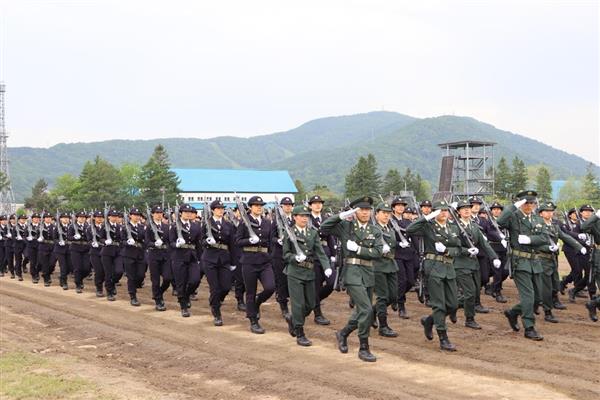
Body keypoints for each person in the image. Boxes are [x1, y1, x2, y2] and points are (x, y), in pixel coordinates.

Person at [322, 196, 382, 362]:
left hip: (368, 272)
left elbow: (377, 253)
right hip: (352, 271)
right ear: (355, 212)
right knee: (367, 310)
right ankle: (364, 347)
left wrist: (360, 249)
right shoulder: (345, 227)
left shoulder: (375, 230)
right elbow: (324, 227)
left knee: (361, 311)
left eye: (367, 210)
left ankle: (343, 333)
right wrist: (341, 216)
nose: (365, 213)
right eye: (361, 210)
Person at [407, 201, 461, 351]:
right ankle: (443, 339)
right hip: (434, 267)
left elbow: (459, 247)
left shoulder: (453, 227)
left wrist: (448, 251)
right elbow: (410, 229)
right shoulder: (428, 227)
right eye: (440, 210)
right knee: (439, 305)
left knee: (453, 304)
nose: (444, 213)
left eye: (446, 210)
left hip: (449, 267)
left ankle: (429, 321)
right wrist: (426, 218)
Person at [498, 190, 549, 341]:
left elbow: (545, 238)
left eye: (532, 203)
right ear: (521, 203)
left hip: (535, 262)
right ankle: (529, 327)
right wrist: (513, 207)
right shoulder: (513, 217)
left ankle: (513, 312)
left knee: (538, 298)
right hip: (520, 262)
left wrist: (530, 239)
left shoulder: (537, 219)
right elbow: (500, 222)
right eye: (526, 202)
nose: (529, 205)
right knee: (528, 297)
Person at [283, 204, 331, 346]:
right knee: (298, 304)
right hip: (295, 273)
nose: (304, 218)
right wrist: (294, 258)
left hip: (309, 272)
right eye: (301, 216)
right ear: (295, 217)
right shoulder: (289, 233)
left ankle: (293, 319)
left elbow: (320, 252)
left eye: (306, 216)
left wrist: (327, 266)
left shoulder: (312, 233)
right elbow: (285, 254)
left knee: (310, 303)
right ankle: (300, 332)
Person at [235, 196, 276, 334]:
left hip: (264, 261)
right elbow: (238, 241)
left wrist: (270, 257)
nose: (259, 207)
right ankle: (253, 320)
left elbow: (270, 243)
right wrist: (249, 240)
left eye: (260, 205)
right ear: (250, 207)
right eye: (256, 205)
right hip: (249, 261)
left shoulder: (267, 223)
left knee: (270, 287)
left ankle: (257, 302)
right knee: (250, 292)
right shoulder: (244, 222)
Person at [201, 200, 236, 325]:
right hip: (210, 258)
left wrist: (233, 262)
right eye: (218, 208)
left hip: (224, 259)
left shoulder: (228, 225)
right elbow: (201, 241)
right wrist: (207, 242)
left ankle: (216, 301)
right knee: (215, 288)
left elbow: (232, 244)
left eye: (222, 208)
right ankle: (216, 313)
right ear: (212, 210)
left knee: (226, 287)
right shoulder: (206, 224)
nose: (221, 210)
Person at [372, 202, 400, 337]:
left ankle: (372, 312)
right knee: (382, 297)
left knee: (393, 296)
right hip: (378, 266)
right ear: (376, 214)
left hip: (391, 264)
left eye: (388, 213)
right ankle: (383, 326)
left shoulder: (390, 228)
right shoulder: (373, 229)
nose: (386, 215)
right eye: (383, 213)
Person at [145, 205, 172, 312]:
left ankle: (159, 293)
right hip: (154, 256)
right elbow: (146, 242)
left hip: (165, 255)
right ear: (152, 214)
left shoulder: (166, 227)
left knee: (167, 278)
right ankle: (158, 300)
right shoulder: (149, 227)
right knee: (155, 280)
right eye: (156, 213)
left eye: (160, 213)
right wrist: (154, 243)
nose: (159, 215)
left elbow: (170, 241)